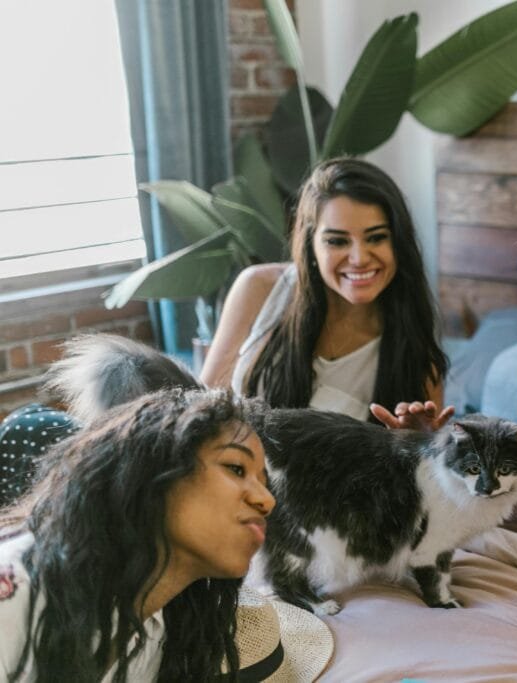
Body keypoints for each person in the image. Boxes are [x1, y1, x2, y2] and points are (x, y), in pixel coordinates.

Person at [0, 388, 282, 681]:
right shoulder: (16, 588)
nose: (267, 500)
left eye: (264, 482)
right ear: (155, 471)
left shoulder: (159, 630)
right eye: (236, 468)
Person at [201, 157, 452, 430]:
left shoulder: (413, 348)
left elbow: (424, 462)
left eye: (376, 237)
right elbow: (201, 409)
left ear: (398, 243)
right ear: (311, 245)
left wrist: (414, 444)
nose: (359, 258)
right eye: (337, 241)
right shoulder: (259, 288)